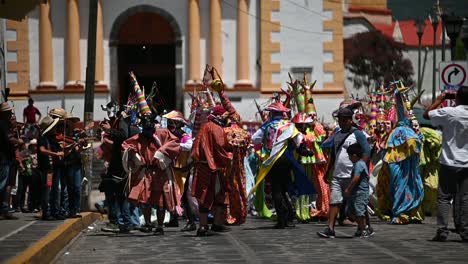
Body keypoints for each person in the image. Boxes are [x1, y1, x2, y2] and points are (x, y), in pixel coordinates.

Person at [122, 114, 181, 235]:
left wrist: (162, 151)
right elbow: (125, 145)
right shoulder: (139, 137)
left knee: (160, 201)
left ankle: (159, 226)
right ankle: (148, 223)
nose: (148, 132)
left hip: (161, 171)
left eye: (150, 128)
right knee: (144, 200)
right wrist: (132, 152)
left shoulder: (163, 133)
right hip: (146, 172)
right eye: (146, 128)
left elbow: (175, 142)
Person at [317, 107, 370, 238]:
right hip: (337, 175)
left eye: (344, 120)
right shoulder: (336, 134)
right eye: (340, 120)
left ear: (349, 120)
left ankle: (364, 227)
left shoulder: (357, 134)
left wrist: (361, 167)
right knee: (334, 201)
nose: (341, 122)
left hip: (352, 176)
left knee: (357, 204)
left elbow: (367, 151)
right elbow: (334, 155)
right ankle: (330, 228)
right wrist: (328, 171)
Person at [423, 86, 468, 242]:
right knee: (464, 198)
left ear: (457, 98)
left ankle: (442, 230)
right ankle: (465, 230)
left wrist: (441, 99)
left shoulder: (450, 112)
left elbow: (426, 114)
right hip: (466, 164)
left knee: (444, 198)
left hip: (449, 161)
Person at [191, 105, 233, 236]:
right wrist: (230, 155)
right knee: (218, 196)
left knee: (205, 196)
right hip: (215, 168)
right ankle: (214, 224)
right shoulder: (217, 129)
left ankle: (205, 226)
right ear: (219, 117)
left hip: (202, 167)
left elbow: (195, 149)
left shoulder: (203, 127)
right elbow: (221, 148)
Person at [344, 143, 374, 238]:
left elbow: (356, 178)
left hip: (360, 192)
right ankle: (362, 227)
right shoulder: (359, 164)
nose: (349, 158)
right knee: (354, 211)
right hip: (357, 192)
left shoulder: (359, 164)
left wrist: (348, 188)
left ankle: (363, 228)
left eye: (349, 156)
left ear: (354, 155)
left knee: (359, 212)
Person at [0, 102, 18, 220]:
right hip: (3, 158)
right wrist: (18, 141)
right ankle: (2, 209)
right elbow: (9, 140)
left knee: (6, 184)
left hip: (7, 157)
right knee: (2, 184)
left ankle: (4, 209)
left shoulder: (5, 125)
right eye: (9, 113)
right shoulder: (2, 124)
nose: (11, 115)